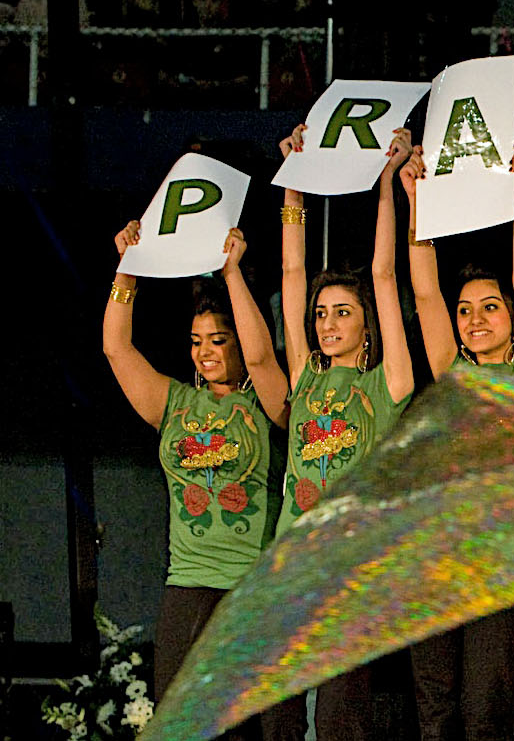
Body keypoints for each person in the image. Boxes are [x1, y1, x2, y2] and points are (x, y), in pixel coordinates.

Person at [399, 138, 514, 741]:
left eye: (490, 308)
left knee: (498, 712)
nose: (475, 319)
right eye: (466, 309)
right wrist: (415, 203)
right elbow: (424, 293)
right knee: (458, 713)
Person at [259, 123, 416, 741]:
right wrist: (293, 188)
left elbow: (384, 276)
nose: (326, 322)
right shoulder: (304, 378)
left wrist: (385, 185)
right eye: (321, 315)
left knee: (339, 721)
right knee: (276, 720)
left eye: (341, 313)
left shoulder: (388, 385)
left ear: (368, 326)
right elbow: (293, 271)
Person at [103, 224, 287, 741]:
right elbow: (117, 349)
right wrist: (128, 269)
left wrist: (231, 274)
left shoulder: (269, 401)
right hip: (186, 586)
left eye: (218, 340)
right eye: (196, 342)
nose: (205, 352)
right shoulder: (176, 402)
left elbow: (260, 359)